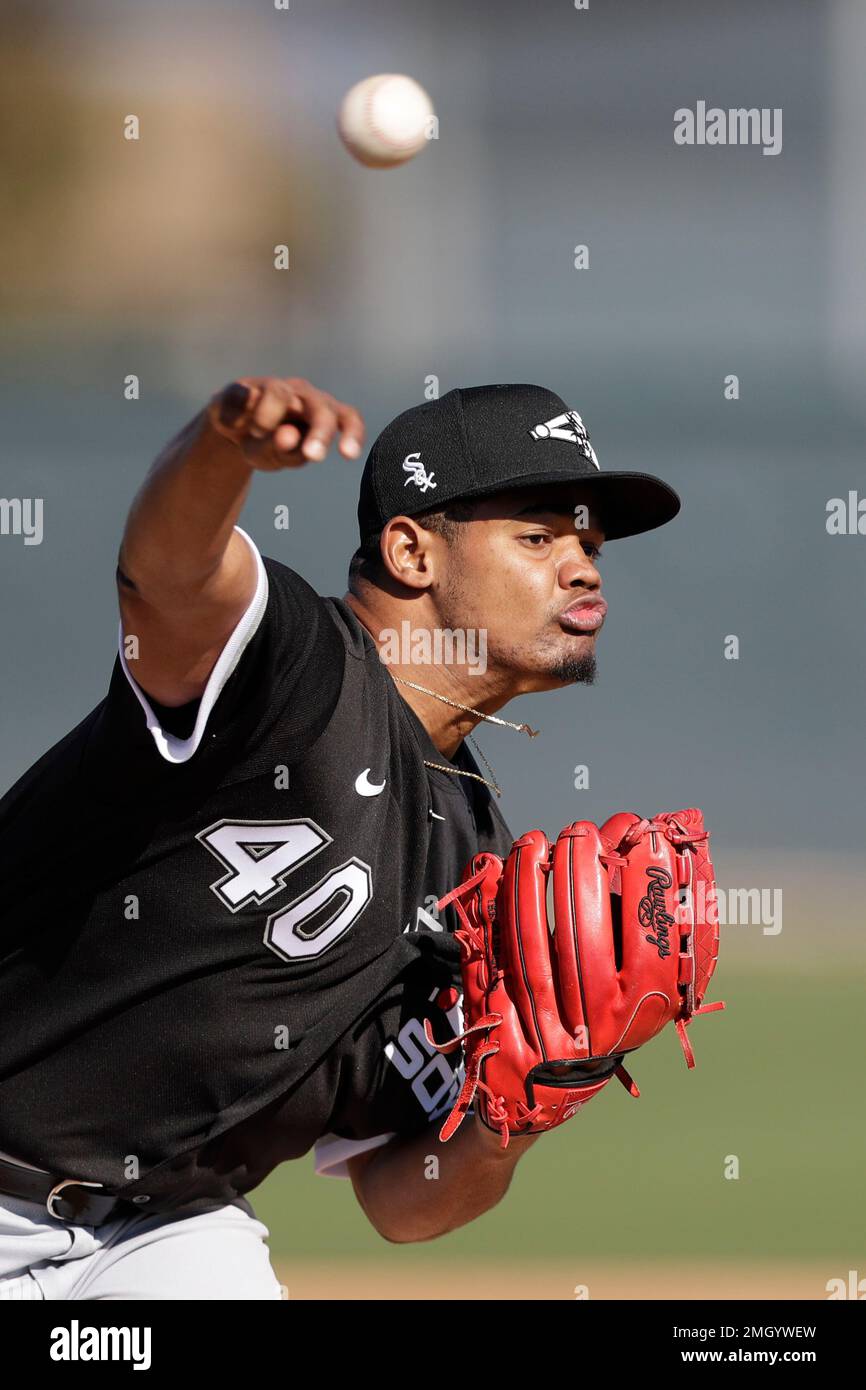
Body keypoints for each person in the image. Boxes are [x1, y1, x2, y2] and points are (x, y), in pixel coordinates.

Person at [0, 376, 680, 1300]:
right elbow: (167, 576)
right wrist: (221, 445)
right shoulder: (292, 667)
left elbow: (400, 1201)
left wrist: (527, 1102)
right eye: (538, 535)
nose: (584, 566)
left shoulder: (475, 868)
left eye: (591, 544)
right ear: (410, 549)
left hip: (163, 1225)